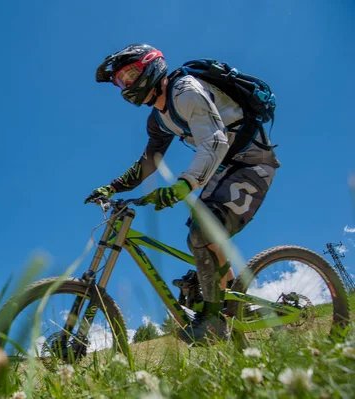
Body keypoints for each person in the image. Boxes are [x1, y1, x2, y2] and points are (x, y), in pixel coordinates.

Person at [84, 44, 281, 344]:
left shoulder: (185, 90)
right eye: (121, 81)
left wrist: (184, 184)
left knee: (203, 231)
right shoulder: (159, 118)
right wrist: (112, 187)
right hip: (224, 168)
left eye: (131, 74)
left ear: (151, 66)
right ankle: (229, 308)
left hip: (251, 160)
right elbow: (149, 162)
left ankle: (214, 320)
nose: (127, 84)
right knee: (200, 232)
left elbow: (214, 142)